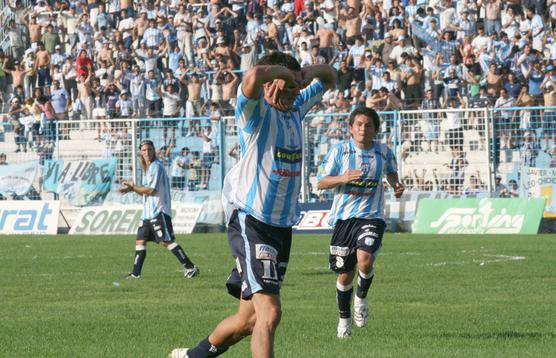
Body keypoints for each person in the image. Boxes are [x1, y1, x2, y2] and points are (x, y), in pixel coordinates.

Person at [170, 52, 336, 358]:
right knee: (269, 314)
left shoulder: (297, 106)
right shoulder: (255, 112)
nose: (288, 93)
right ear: (269, 82)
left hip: (281, 227)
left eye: (293, 88)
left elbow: (330, 76)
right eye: (282, 86)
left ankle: (192, 356)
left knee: (248, 320)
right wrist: (279, 75)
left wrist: (302, 75)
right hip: (252, 221)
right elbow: (250, 78)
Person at [316, 107, 404, 339]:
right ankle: (344, 319)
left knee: (365, 259)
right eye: (359, 125)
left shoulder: (384, 152)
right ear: (351, 128)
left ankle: (361, 299)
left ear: (375, 129)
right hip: (344, 220)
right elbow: (321, 182)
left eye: (368, 125)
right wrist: (342, 178)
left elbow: (391, 173)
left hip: (371, 217)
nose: (363, 129)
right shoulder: (340, 151)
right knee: (345, 274)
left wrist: (396, 185)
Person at [119, 139, 199, 279]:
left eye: (149, 149)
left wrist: (133, 188)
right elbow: (145, 190)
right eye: (144, 150)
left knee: (165, 241)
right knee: (140, 241)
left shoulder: (156, 166)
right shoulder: (148, 168)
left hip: (158, 211)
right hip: (147, 214)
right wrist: (131, 190)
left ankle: (190, 267)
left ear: (153, 151)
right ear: (140, 152)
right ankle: (135, 274)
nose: (147, 152)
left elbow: (151, 190)